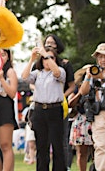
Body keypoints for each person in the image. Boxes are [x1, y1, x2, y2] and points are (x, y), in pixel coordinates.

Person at [76, 43, 105, 171]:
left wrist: (103, 77)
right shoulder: (93, 72)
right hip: (99, 114)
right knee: (101, 147)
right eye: (100, 56)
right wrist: (88, 76)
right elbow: (83, 92)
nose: (103, 60)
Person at [21, 46, 66, 171]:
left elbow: (57, 73)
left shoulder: (60, 71)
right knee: (41, 146)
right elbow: (24, 76)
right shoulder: (38, 73)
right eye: (45, 58)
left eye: (51, 57)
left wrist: (45, 54)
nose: (47, 60)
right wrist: (32, 59)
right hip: (40, 110)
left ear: (55, 59)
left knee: (57, 146)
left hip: (55, 109)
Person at [43, 34, 75, 169]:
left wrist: (61, 96)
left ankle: (64, 166)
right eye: (47, 43)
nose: (49, 45)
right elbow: (31, 82)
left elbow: (72, 85)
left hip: (60, 105)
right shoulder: (39, 64)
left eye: (52, 43)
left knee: (62, 139)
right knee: (44, 140)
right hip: (43, 105)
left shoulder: (64, 64)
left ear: (58, 45)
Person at [68, 66, 94, 171]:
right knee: (81, 153)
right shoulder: (77, 87)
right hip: (82, 119)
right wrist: (80, 92)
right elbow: (70, 103)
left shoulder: (98, 84)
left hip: (95, 119)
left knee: (98, 151)